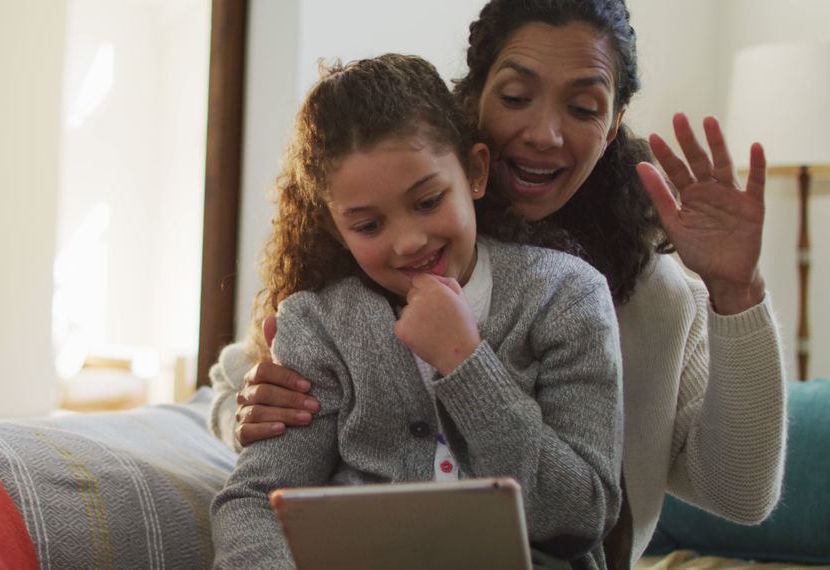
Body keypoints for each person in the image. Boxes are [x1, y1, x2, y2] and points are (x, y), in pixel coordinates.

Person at [210, 0, 787, 566]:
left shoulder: (631, 294)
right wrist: (253, 407)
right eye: (516, 97)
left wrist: (737, 292)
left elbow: (738, 494)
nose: (543, 133)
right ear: (474, 101)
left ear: (611, 128)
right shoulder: (355, 267)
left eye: (584, 107)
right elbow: (251, 408)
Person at [211, 53, 622, 570]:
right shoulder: (320, 323)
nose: (408, 242)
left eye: (428, 201)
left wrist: (467, 363)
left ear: (475, 171)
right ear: (336, 227)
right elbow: (255, 499)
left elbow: (582, 513)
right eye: (367, 225)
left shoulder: (566, 295)